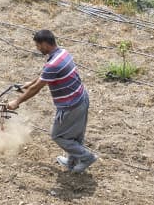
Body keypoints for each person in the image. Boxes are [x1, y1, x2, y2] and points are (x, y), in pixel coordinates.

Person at [7, 29, 97, 173]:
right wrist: (30, 83)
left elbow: (37, 88)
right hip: (81, 98)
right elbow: (45, 75)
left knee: (58, 136)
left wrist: (17, 102)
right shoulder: (62, 53)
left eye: (38, 45)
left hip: (71, 106)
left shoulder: (53, 65)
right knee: (74, 135)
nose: (37, 48)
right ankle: (72, 162)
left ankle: (87, 157)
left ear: (44, 44)